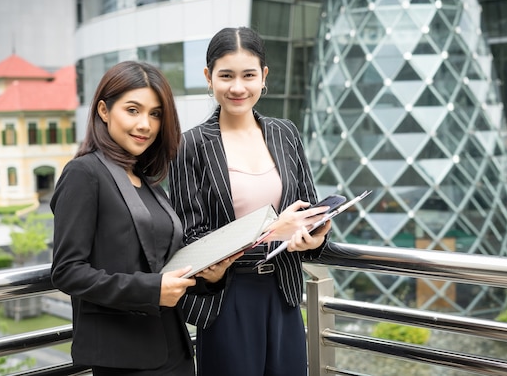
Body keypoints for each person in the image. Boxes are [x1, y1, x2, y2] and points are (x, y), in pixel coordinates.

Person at [50, 60, 234, 376]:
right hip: (125, 357)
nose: (145, 124)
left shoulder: (146, 180)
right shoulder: (84, 174)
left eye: (155, 114)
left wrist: (209, 277)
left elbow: (159, 266)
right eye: (132, 110)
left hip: (173, 347)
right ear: (104, 111)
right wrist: (151, 290)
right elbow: (67, 272)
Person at [168, 27, 332, 376]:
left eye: (248, 75)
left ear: (264, 77)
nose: (238, 87)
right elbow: (190, 239)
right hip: (228, 298)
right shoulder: (190, 145)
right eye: (226, 75)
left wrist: (314, 235)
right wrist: (274, 229)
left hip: (284, 293)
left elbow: (307, 209)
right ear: (209, 78)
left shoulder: (285, 133)